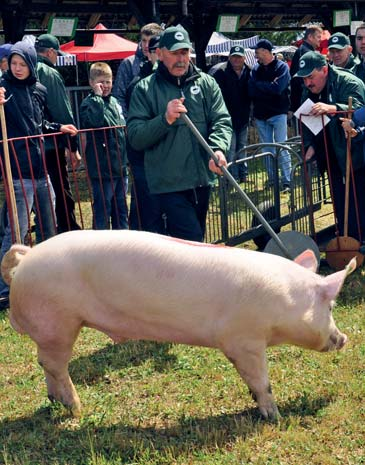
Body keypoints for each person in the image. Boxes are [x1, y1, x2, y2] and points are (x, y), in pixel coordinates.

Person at [127, 26, 232, 242]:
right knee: (192, 243)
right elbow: (136, 137)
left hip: (202, 179)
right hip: (168, 185)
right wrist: (164, 119)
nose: (181, 59)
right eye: (175, 53)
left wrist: (219, 148)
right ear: (161, 52)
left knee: (195, 241)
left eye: (184, 52)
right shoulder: (144, 89)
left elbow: (221, 119)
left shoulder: (206, 83)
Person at [0, 40, 78, 309]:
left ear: (32, 64)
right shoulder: (3, 89)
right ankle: (5, 287)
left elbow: (39, 123)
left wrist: (59, 127)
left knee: (49, 226)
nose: (18, 68)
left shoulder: (40, 90)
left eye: (23, 64)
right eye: (14, 63)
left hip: (41, 169)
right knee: (17, 231)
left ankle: (47, 276)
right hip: (18, 170)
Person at [295, 50, 365, 243]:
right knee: (339, 197)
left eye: (310, 76)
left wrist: (332, 107)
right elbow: (306, 121)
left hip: (357, 152)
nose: (307, 82)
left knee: (358, 196)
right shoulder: (308, 91)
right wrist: (310, 145)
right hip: (330, 152)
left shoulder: (348, 82)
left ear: (324, 70)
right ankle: (346, 237)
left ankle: (360, 239)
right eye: (303, 79)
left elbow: (359, 108)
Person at [35, 33, 82, 233]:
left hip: (29, 145)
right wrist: (73, 147)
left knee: (32, 192)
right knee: (60, 190)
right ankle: (68, 230)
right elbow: (62, 112)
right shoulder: (49, 73)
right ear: (52, 52)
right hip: (51, 144)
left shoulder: (23, 70)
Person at [80, 62, 128, 230]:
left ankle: (122, 242)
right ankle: (99, 246)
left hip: (120, 168)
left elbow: (122, 128)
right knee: (103, 210)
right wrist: (98, 98)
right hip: (102, 169)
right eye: (101, 82)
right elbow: (96, 122)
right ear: (92, 83)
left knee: (121, 209)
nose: (105, 86)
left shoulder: (115, 102)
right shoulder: (89, 103)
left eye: (108, 81)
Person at [126, 35, 165, 234]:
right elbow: (136, 128)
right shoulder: (137, 85)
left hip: (167, 160)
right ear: (148, 53)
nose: (159, 55)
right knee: (146, 210)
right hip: (144, 159)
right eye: (154, 51)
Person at [248, 38, 292, 192]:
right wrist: (267, 86)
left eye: (257, 52)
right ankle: (273, 180)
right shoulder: (255, 69)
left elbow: (278, 88)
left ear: (266, 52)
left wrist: (260, 86)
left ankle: (287, 181)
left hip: (278, 113)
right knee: (267, 149)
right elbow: (251, 90)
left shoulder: (282, 67)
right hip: (261, 115)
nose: (255, 56)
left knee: (282, 146)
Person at [210, 45, 251, 183]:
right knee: (231, 149)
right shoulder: (219, 72)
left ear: (244, 58)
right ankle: (231, 177)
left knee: (243, 147)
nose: (236, 59)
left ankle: (243, 174)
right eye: (234, 56)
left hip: (244, 117)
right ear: (229, 57)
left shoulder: (249, 71)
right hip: (227, 118)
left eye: (239, 57)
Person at [113, 22, 163, 117]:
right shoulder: (128, 63)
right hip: (135, 121)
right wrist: (128, 122)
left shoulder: (165, 62)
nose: (146, 45)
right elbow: (119, 96)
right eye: (144, 40)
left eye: (150, 41)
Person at [290, 25, 323, 112]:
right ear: (310, 37)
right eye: (318, 37)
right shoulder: (308, 54)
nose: (320, 39)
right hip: (305, 100)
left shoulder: (301, 50)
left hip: (298, 99)